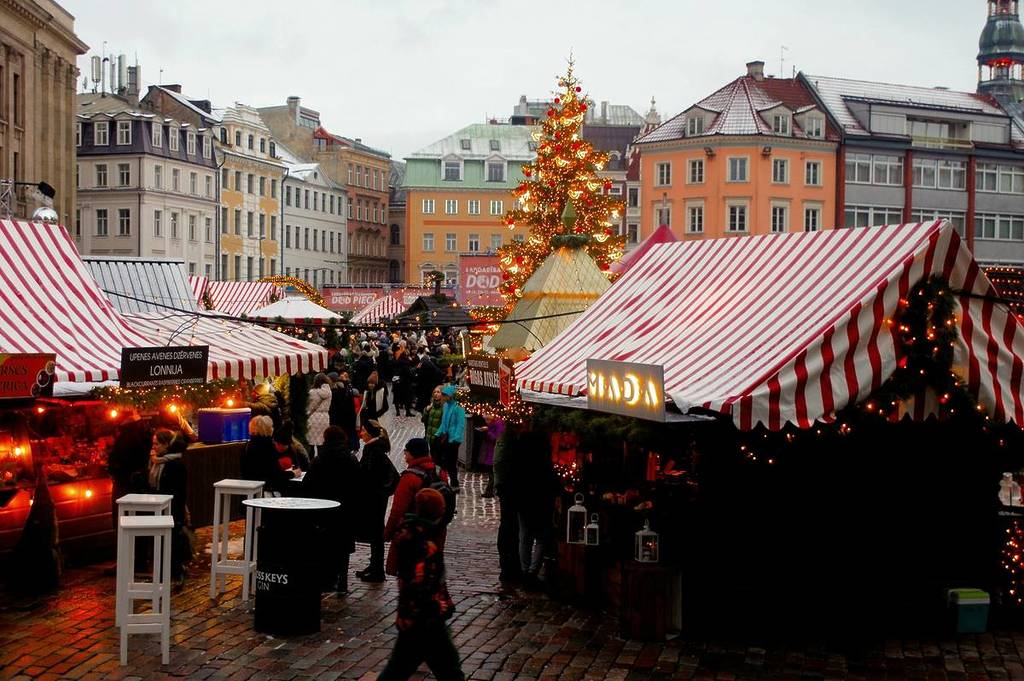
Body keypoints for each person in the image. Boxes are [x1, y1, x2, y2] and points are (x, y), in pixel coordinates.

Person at [377, 488, 463, 681]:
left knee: (399, 669)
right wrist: (437, 607)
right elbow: (421, 584)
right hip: (425, 619)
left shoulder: (411, 533)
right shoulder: (424, 545)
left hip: (414, 617)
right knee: (449, 670)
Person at [302, 426, 360, 593]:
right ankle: (342, 582)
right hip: (345, 511)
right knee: (342, 548)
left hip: (323, 511)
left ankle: (325, 580)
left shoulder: (319, 460)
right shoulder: (350, 460)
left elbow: (307, 485)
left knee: (324, 545)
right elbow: (358, 485)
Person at [384, 438, 449, 575]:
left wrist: (388, 533)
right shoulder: (440, 473)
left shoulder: (410, 477)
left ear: (412, 453)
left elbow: (398, 510)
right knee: (429, 571)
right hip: (436, 532)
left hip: (412, 534)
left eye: (405, 452)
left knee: (410, 574)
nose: (404, 456)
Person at [148, 430, 191, 586]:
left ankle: (176, 572)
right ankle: (163, 573)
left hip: (172, 509)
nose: (154, 447)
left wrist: (177, 511)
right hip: (157, 507)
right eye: (153, 443)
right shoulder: (155, 462)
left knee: (172, 542)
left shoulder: (175, 464)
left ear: (166, 445)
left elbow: (179, 491)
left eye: (157, 444)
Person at [355, 420, 395, 582]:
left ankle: (377, 570)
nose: (361, 433)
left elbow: (368, 475)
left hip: (375, 497)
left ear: (370, 433)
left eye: (364, 430)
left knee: (376, 532)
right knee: (375, 532)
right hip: (377, 496)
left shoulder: (374, 451)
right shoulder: (373, 448)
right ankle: (374, 565)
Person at [107, 414, 152, 529]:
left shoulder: (126, 437)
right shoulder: (141, 433)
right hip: (137, 484)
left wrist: (112, 469)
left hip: (125, 484)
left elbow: (118, 460)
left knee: (125, 519)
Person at [242, 416, 300, 495]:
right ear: (268, 429)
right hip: (267, 490)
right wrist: (293, 473)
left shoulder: (247, 446)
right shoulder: (268, 447)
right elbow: (275, 475)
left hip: (249, 489)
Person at [434, 385, 465, 491]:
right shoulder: (446, 406)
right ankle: (442, 481)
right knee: (442, 461)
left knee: (451, 462)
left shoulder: (458, 407)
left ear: (450, 396)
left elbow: (460, 424)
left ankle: (454, 483)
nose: (443, 397)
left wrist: (455, 439)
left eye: (444, 395)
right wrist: (438, 434)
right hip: (444, 436)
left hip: (453, 439)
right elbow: (444, 422)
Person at [329, 371, 359, 451]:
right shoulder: (346, 389)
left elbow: (334, 409)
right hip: (348, 418)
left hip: (340, 420)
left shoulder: (334, 392)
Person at [476, 415, 504, 499]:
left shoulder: (498, 424)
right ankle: (492, 490)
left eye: (488, 419)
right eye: (485, 420)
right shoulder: (492, 424)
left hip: (494, 451)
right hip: (490, 451)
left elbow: (497, 438)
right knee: (491, 473)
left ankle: (490, 490)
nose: (486, 421)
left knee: (493, 473)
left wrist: (487, 431)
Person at [306, 373, 333, 457]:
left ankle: (310, 464)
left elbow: (308, 406)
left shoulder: (311, 392)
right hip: (324, 418)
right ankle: (322, 463)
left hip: (312, 417)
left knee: (310, 443)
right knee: (322, 443)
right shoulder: (329, 392)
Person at [421, 385, 446, 460]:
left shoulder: (444, 407)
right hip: (430, 438)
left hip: (439, 439)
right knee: (433, 458)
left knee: (439, 459)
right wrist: (426, 410)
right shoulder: (431, 406)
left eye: (438, 392)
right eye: (434, 392)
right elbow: (424, 420)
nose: (436, 394)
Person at [392, 348, 415, 417]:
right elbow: (408, 374)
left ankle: (397, 412)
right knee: (407, 398)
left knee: (396, 397)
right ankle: (407, 412)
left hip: (396, 382)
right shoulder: (406, 364)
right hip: (405, 383)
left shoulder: (396, 362)